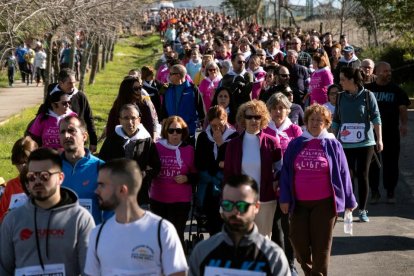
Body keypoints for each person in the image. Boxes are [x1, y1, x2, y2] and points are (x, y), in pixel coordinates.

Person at [279, 104, 357, 276]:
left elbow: (343, 173)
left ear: (326, 123)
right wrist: (284, 198)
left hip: (325, 204)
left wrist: (350, 200)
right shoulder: (296, 143)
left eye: (319, 120)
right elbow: (285, 172)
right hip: (298, 203)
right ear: (306, 121)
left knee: (321, 246)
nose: (315, 123)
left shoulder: (333, 144)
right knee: (298, 242)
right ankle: (309, 272)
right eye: (312, 119)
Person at [0, 147, 95, 275]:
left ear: (60, 178)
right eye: (32, 176)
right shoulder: (13, 220)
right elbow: (4, 269)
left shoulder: (80, 219)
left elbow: (90, 271)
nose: (37, 181)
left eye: (45, 176)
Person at [84, 159, 187, 276]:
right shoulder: (98, 233)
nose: (96, 191)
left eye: (102, 185)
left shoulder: (162, 230)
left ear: (122, 189)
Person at [189, 175, 290, 276]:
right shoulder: (202, 252)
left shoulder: (273, 256)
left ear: (256, 207)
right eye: (227, 205)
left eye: (241, 206)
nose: (235, 212)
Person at [224, 100, 281, 238]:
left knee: (263, 239)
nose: (253, 120)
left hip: (265, 199)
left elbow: (280, 169)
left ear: (263, 119)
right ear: (243, 119)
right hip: (240, 200)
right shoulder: (233, 145)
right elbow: (228, 174)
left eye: (257, 117)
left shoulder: (272, 142)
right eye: (249, 117)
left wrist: (276, 182)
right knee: (240, 240)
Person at [332, 67, 383, 222]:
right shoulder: (340, 97)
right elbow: (336, 121)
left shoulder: (368, 96)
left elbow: (376, 118)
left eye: (342, 79)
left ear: (352, 80)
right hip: (345, 144)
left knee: (362, 175)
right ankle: (348, 207)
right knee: (347, 176)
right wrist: (333, 140)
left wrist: (379, 139)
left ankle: (362, 210)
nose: (340, 83)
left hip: (365, 143)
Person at [263, 93, 302, 275]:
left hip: (290, 185)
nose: (278, 111)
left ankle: (291, 263)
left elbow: (300, 157)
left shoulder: (295, 130)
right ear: (269, 110)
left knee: (290, 228)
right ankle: (280, 264)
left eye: (282, 108)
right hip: (270, 185)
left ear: (288, 110)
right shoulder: (264, 130)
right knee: (275, 227)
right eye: (275, 108)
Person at [366, 62, 411, 203]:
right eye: (385, 71)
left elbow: (403, 108)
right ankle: (374, 192)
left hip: (391, 132)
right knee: (373, 163)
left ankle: (390, 191)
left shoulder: (396, 90)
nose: (389, 73)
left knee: (391, 163)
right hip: (371, 133)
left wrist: (403, 124)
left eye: (390, 71)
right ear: (377, 72)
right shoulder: (368, 90)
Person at [99, 104, 160, 206]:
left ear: (139, 120)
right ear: (120, 120)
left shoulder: (146, 140)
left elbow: (156, 166)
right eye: (126, 118)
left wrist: (141, 175)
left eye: (133, 118)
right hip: (115, 193)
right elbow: (102, 163)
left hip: (139, 194)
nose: (130, 122)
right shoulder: (112, 139)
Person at [149, 116, 197, 245]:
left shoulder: (189, 150)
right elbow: (149, 169)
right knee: (159, 235)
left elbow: (196, 174)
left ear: (183, 133)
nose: (175, 134)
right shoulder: (156, 147)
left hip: (180, 201)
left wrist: (187, 178)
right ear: (166, 131)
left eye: (178, 131)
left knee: (176, 236)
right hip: (158, 199)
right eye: (171, 131)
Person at [195, 106, 238, 235]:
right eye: (214, 126)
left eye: (220, 125)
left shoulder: (234, 136)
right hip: (209, 183)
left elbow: (232, 162)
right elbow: (200, 162)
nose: (217, 129)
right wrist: (219, 164)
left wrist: (220, 145)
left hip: (227, 183)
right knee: (212, 217)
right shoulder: (204, 137)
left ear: (226, 121)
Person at [59, 115, 108, 224]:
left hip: (91, 236)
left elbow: (111, 211)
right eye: (62, 132)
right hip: (59, 237)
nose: (66, 135)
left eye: (71, 131)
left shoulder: (100, 167)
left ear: (84, 136)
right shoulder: (53, 167)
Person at [48, 68, 98, 152]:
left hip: (75, 141)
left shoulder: (80, 97)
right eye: (70, 83)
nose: (73, 86)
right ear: (60, 83)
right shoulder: (51, 94)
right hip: (54, 144)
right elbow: (43, 114)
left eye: (74, 82)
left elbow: (89, 118)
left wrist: (93, 141)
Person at [106, 76, 158, 140]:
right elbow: (110, 132)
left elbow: (149, 131)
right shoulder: (116, 109)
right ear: (127, 90)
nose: (139, 91)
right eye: (136, 88)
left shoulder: (144, 107)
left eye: (140, 88)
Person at [161, 64, 205, 139]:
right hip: (171, 131)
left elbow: (201, 109)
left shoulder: (193, 88)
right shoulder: (166, 88)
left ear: (178, 75)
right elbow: (163, 109)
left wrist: (203, 127)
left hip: (188, 130)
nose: (168, 76)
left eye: (171, 74)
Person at [0, 137, 38, 222]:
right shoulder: (11, 185)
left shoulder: (44, 183)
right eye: (18, 163)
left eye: (25, 162)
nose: (22, 167)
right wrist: (6, 217)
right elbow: (1, 215)